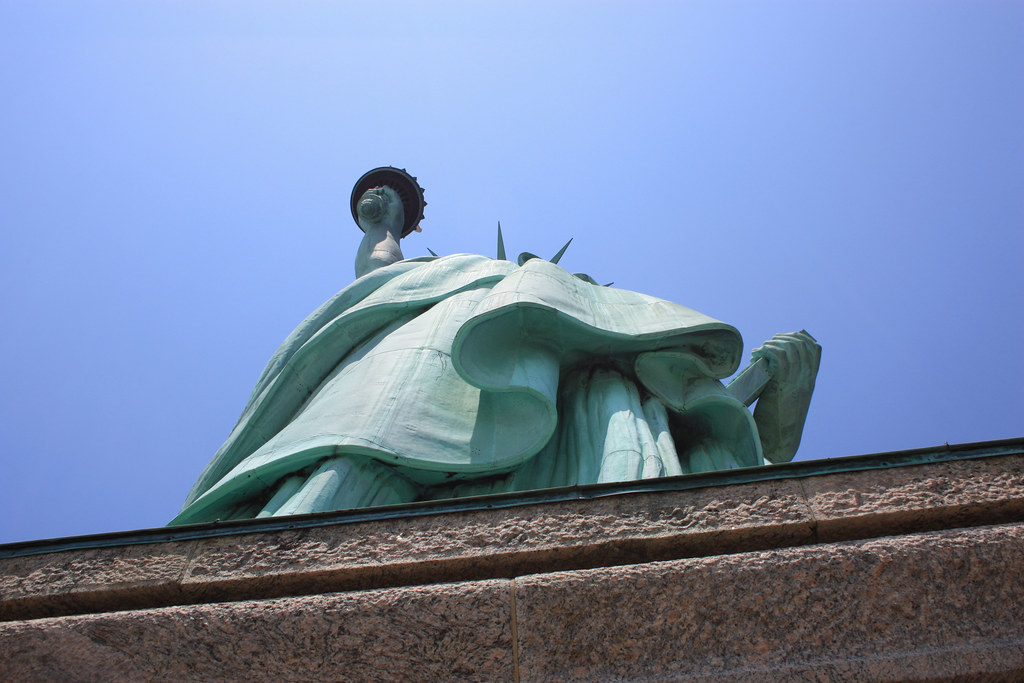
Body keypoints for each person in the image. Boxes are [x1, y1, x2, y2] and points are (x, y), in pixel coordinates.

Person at [171, 168, 820, 525]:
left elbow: (710, 441)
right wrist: (386, 224)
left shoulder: (614, 364)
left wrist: (776, 394)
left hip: (602, 505)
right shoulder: (453, 291)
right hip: (413, 401)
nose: (534, 272)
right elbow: (380, 275)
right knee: (361, 463)